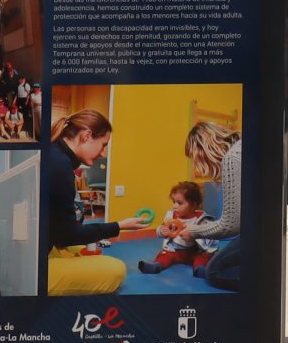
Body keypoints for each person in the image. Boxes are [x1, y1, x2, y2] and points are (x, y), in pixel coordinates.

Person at [42, 109, 146, 295]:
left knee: (79, 249)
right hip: (32, 268)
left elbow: (59, 228)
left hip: (40, 244)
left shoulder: (55, 155)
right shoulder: (59, 166)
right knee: (115, 270)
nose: (103, 154)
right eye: (103, 144)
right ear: (86, 136)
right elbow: (67, 236)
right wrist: (119, 226)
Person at [181, 122, 250, 292]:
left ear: (202, 150)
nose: (197, 166)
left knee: (215, 271)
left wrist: (193, 231)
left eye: (195, 159)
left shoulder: (231, 158)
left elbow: (230, 226)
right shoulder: (242, 145)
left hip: (263, 231)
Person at [137, 180, 212, 275]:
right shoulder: (171, 216)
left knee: (203, 256)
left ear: (193, 205)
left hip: (194, 250)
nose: (175, 206)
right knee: (164, 255)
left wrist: (194, 234)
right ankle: (156, 265)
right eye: (174, 202)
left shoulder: (200, 218)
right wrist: (162, 231)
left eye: (179, 203)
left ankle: (200, 269)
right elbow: (161, 228)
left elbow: (208, 236)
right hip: (174, 250)